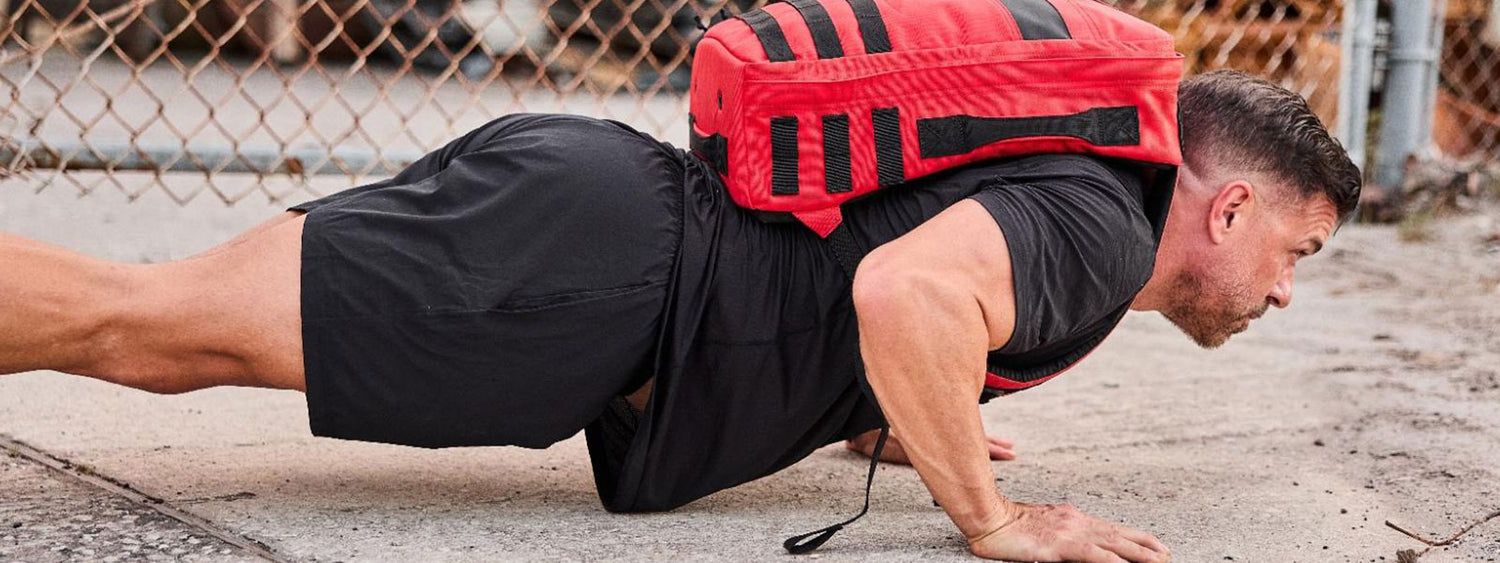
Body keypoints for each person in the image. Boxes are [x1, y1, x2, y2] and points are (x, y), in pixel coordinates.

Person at [0, 69, 1359, 563]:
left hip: (595, 231)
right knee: (140, 329)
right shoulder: (1101, 223)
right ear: (1229, 209)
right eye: (1295, 250)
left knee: (153, 328)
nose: (1284, 293)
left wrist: (884, 407)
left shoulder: (1085, 197)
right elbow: (908, 288)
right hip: (594, 276)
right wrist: (991, 524)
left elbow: (879, 277)